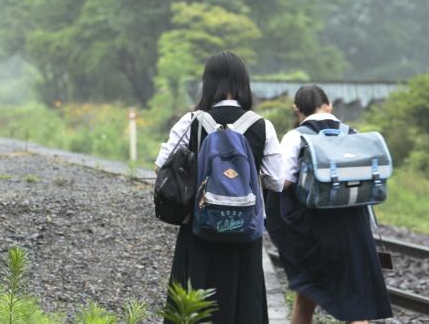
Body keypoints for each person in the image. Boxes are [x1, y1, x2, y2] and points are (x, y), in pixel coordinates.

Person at [154, 52, 283, 324]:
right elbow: (276, 181)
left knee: (194, 302)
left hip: (199, 227)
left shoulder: (191, 121)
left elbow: (161, 168)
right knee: (244, 302)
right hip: (245, 229)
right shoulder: (262, 126)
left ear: (208, 83)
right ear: (244, 83)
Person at [265, 85, 392, 324]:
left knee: (306, 294)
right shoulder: (351, 133)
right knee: (356, 304)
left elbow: (282, 184)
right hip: (353, 226)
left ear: (296, 109)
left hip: (313, 229)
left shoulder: (296, 136)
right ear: (329, 105)